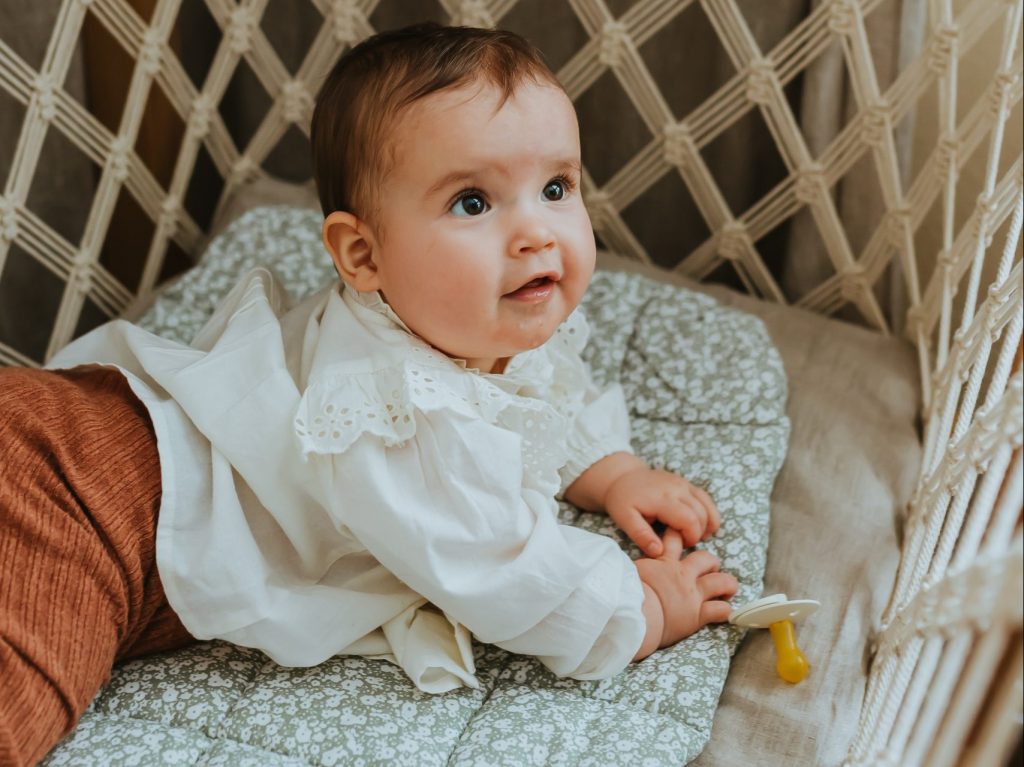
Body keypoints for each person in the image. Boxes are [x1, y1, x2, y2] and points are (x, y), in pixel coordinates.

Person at [0, 23, 738, 766]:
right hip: (90, 502)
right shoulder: (394, 409)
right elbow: (497, 567)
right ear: (362, 253)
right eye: (473, 203)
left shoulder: (467, 322)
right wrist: (637, 608)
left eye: (556, 188)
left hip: (77, 441)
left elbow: (527, 395)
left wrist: (610, 471)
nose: (535, 233)